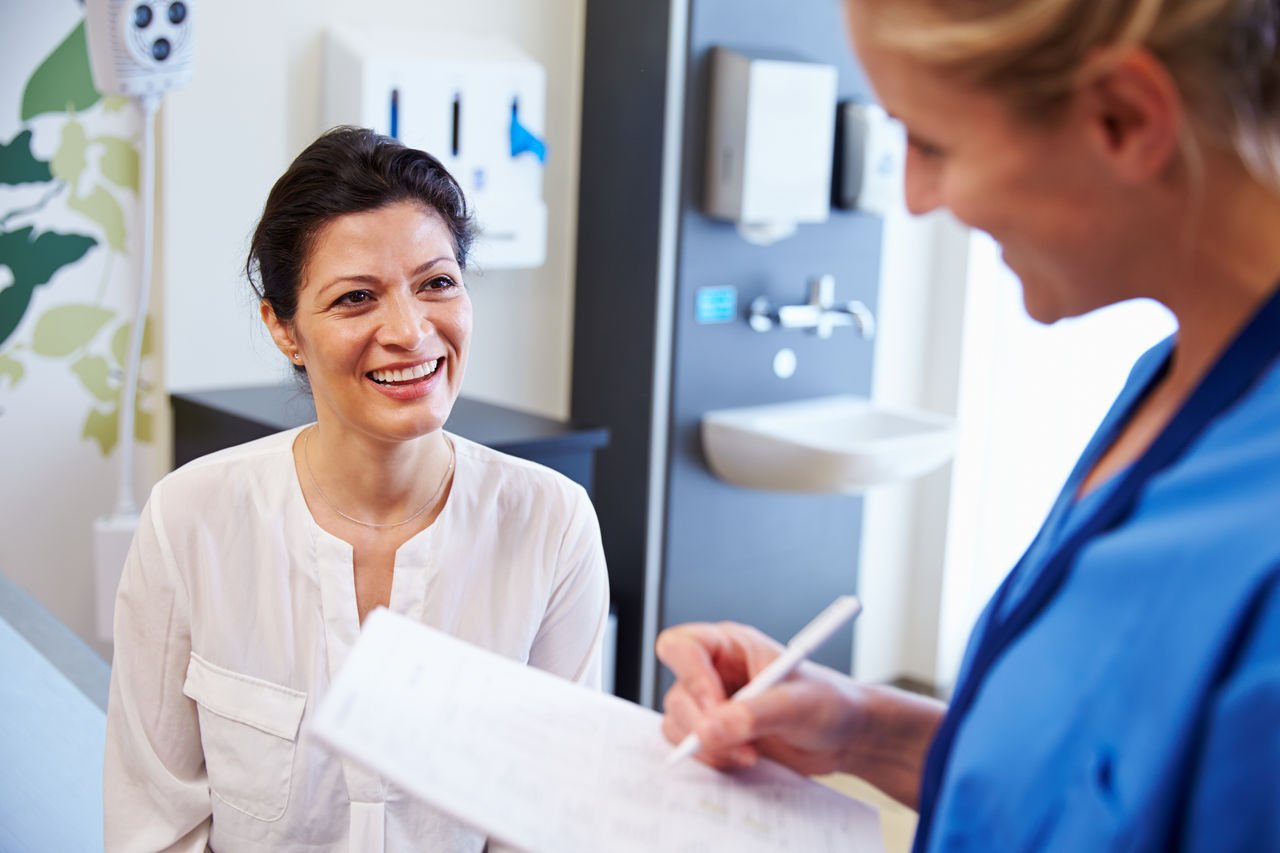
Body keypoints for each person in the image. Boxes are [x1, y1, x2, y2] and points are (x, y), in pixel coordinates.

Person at [659, 0, 1280, 849]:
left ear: (1125, 118)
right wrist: (860, 729)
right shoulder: (1173, 384)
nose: (913, 198)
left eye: (934, 145)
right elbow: (1096, 786)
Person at [104, 127, 610, 852]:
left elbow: (550, 822)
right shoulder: (190, 521)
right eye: (355, 298)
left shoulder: (551, 525)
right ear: (283, 328)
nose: (409, 330)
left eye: (437, 282)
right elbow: (153, 824)